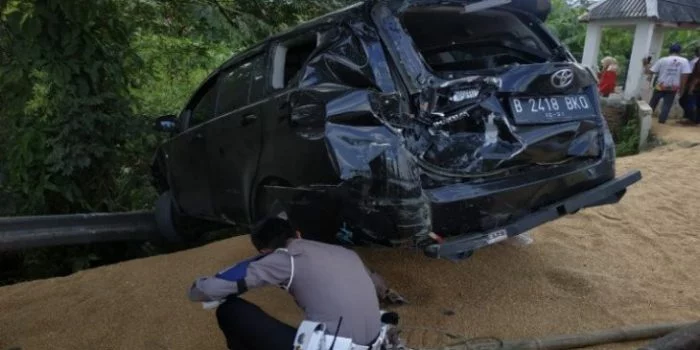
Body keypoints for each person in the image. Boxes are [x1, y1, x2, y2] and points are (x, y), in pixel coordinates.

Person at [187, 216, 405, 350]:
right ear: (298, 233)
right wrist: (388, 293)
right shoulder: (344, 252)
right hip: (377, 342)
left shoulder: (284, 259)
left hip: (337, 347)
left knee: (229, 311)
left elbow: (202, 293)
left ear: (264, 252)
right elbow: (376, 281)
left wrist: (199, 286)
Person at [644, 43, 693, 124]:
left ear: (669, 51)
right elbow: (685, 76)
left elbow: (650, 71)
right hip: (673, 87)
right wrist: (682, 89)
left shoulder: (662, 60)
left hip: (661, 85)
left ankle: (646, 119)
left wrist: (645, 64)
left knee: (653, 103)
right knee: (667, 105)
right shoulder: (684, 61)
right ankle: (661, 122)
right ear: (680, 51)